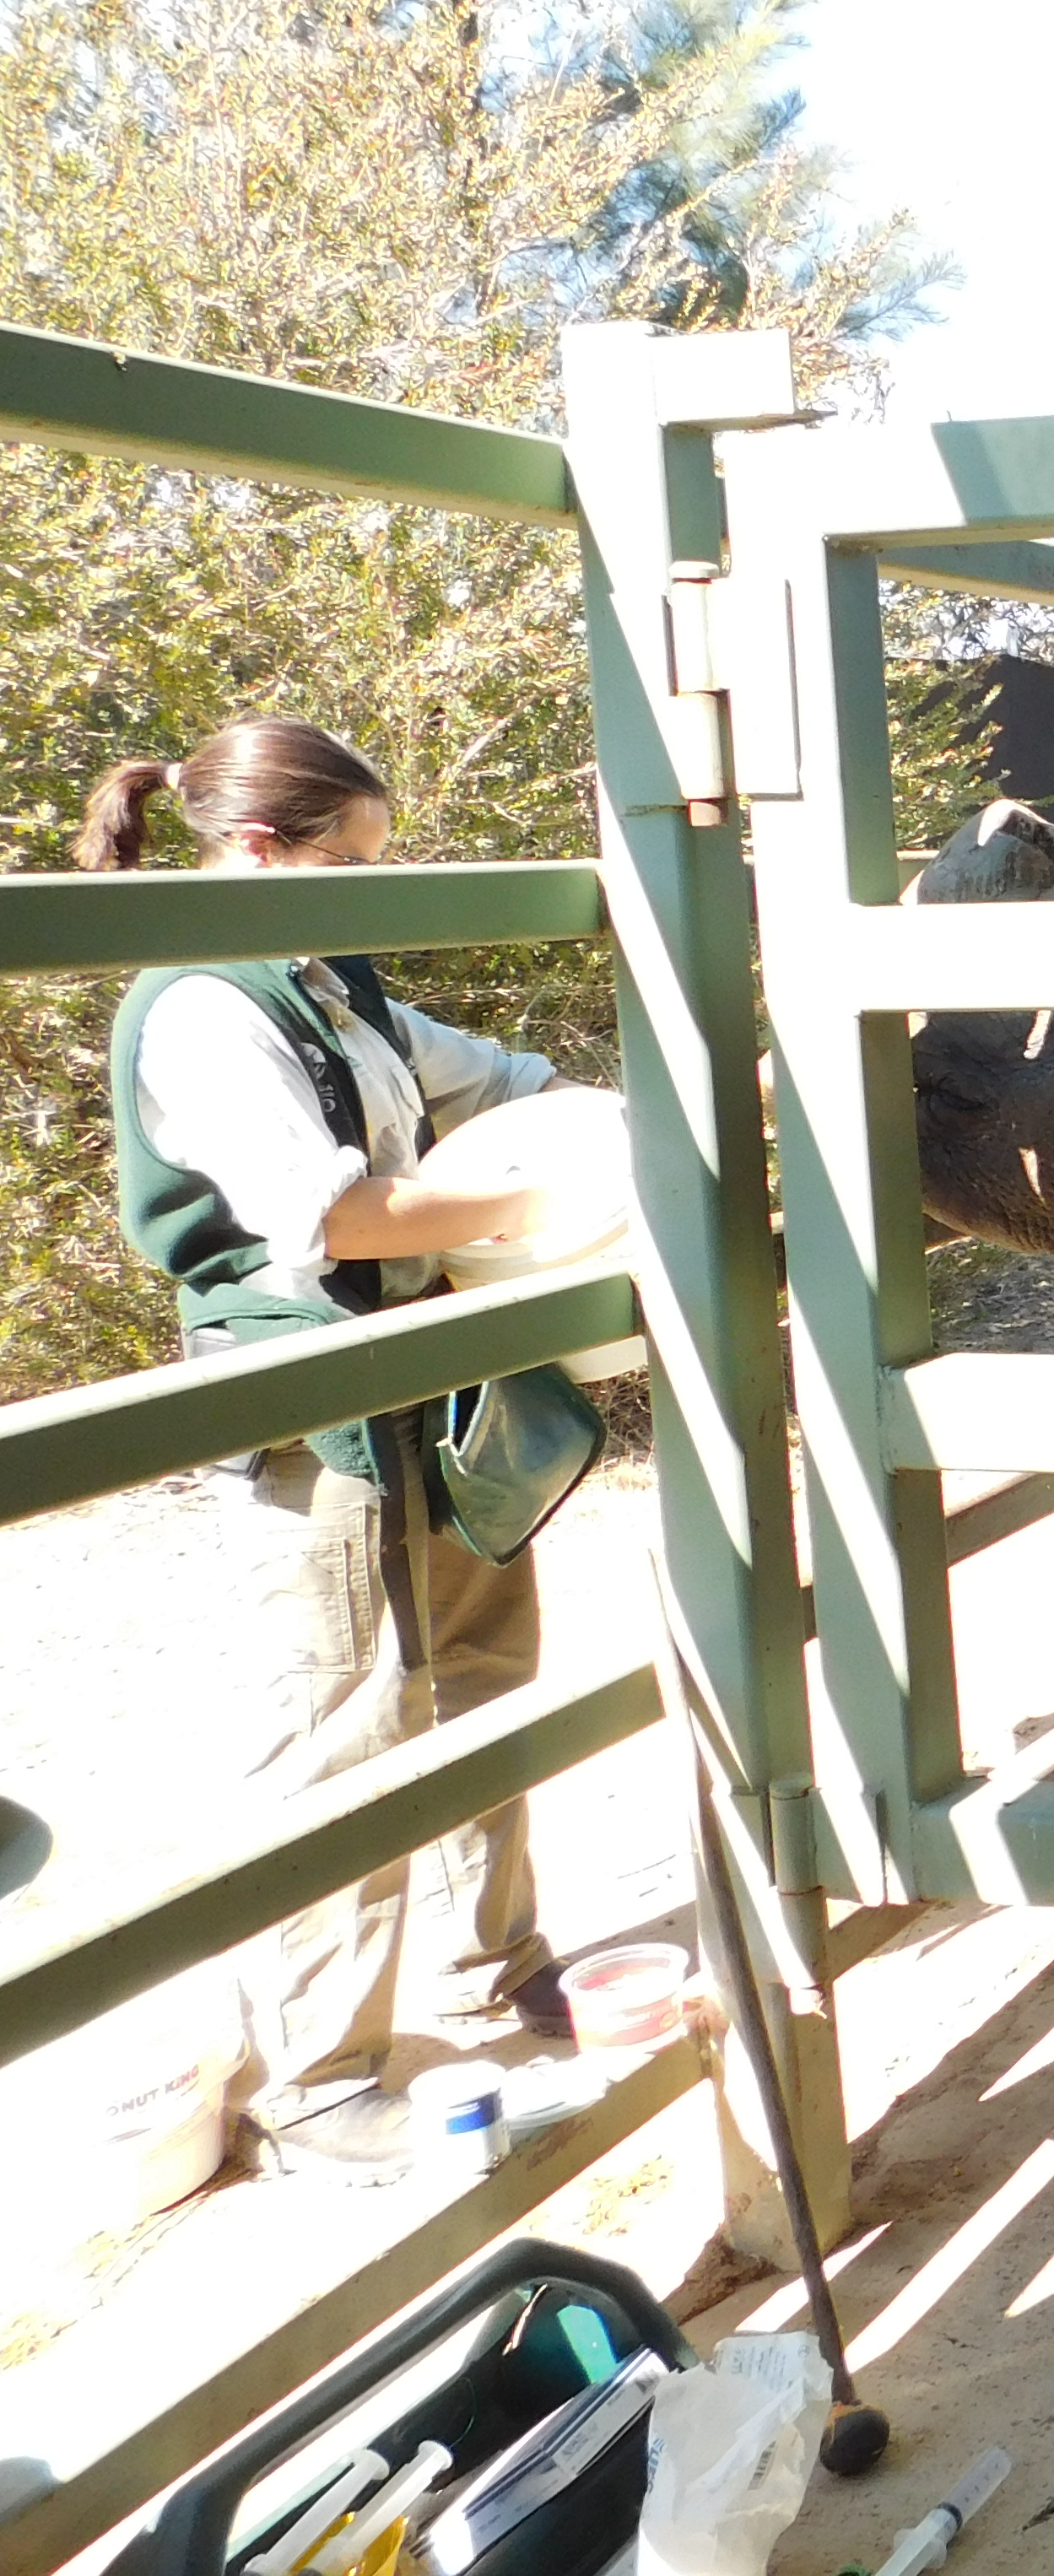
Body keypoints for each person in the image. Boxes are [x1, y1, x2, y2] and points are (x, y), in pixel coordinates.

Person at [80, 718, 578, 2182]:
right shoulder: (201, 1009)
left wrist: (611, 1116)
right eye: (354, 861)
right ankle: (317, 2075)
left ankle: (497, 1967)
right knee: (348, 1723)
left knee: (487, 1677)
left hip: (435, 1376)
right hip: (319, 1396)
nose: (376, 885)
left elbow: (492, 1075)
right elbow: (334, 1215)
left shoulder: (328, 975)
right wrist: (533, 1209)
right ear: (259, 851)